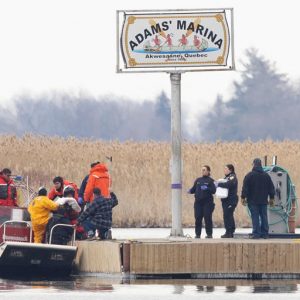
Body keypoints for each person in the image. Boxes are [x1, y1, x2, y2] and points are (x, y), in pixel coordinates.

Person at [241, 158, 275, 239]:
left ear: (253, 164)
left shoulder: (249, 175)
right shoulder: (267, 176)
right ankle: (265, 234)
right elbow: (271, 188)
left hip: (253, 201)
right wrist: (272, 198)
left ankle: (256, 234)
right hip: (263, 201)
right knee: (264, 217)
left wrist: (243, 197)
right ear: (261, 165)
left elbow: (245, 188)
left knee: (255, 217)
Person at [188, 165, 216, 238]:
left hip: (207, 203)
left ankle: (209, 234)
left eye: (204, 170)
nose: (203, 171)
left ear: (208, 171)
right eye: (202, 170)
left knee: (207, 218)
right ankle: (197, 234)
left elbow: (214, 191)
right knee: (198, 218)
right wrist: (190, 191)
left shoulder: (211, 181)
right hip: (198, 203)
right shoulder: (198, 180)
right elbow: (193, 189)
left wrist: (207, 188)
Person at [216, 164, 238, 238]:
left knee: (228, 215)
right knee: (228, 215)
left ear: (230, 170)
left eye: (226, 169)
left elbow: (229, 184)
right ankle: (230, 231)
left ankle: (229, 232)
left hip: (231, 200)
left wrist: (219, 184)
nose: (224, 170)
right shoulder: (227, 177)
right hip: (226, 200)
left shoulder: (232, 177)